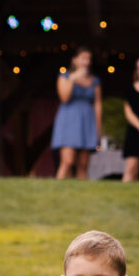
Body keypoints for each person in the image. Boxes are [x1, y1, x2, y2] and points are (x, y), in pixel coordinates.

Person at [51, 47, 102, 179]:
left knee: (83, 164)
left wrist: (98, 127)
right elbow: (64, 97)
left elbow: (97, 104)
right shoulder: (65, 76)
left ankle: (81, 196)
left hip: (87, 120)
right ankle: (57, 193)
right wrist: (73, 78)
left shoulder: (94, 81)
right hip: (69, 120)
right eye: (84, 58)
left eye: (89, 59)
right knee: (68, 161)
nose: (87, 62)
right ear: (75, 60)